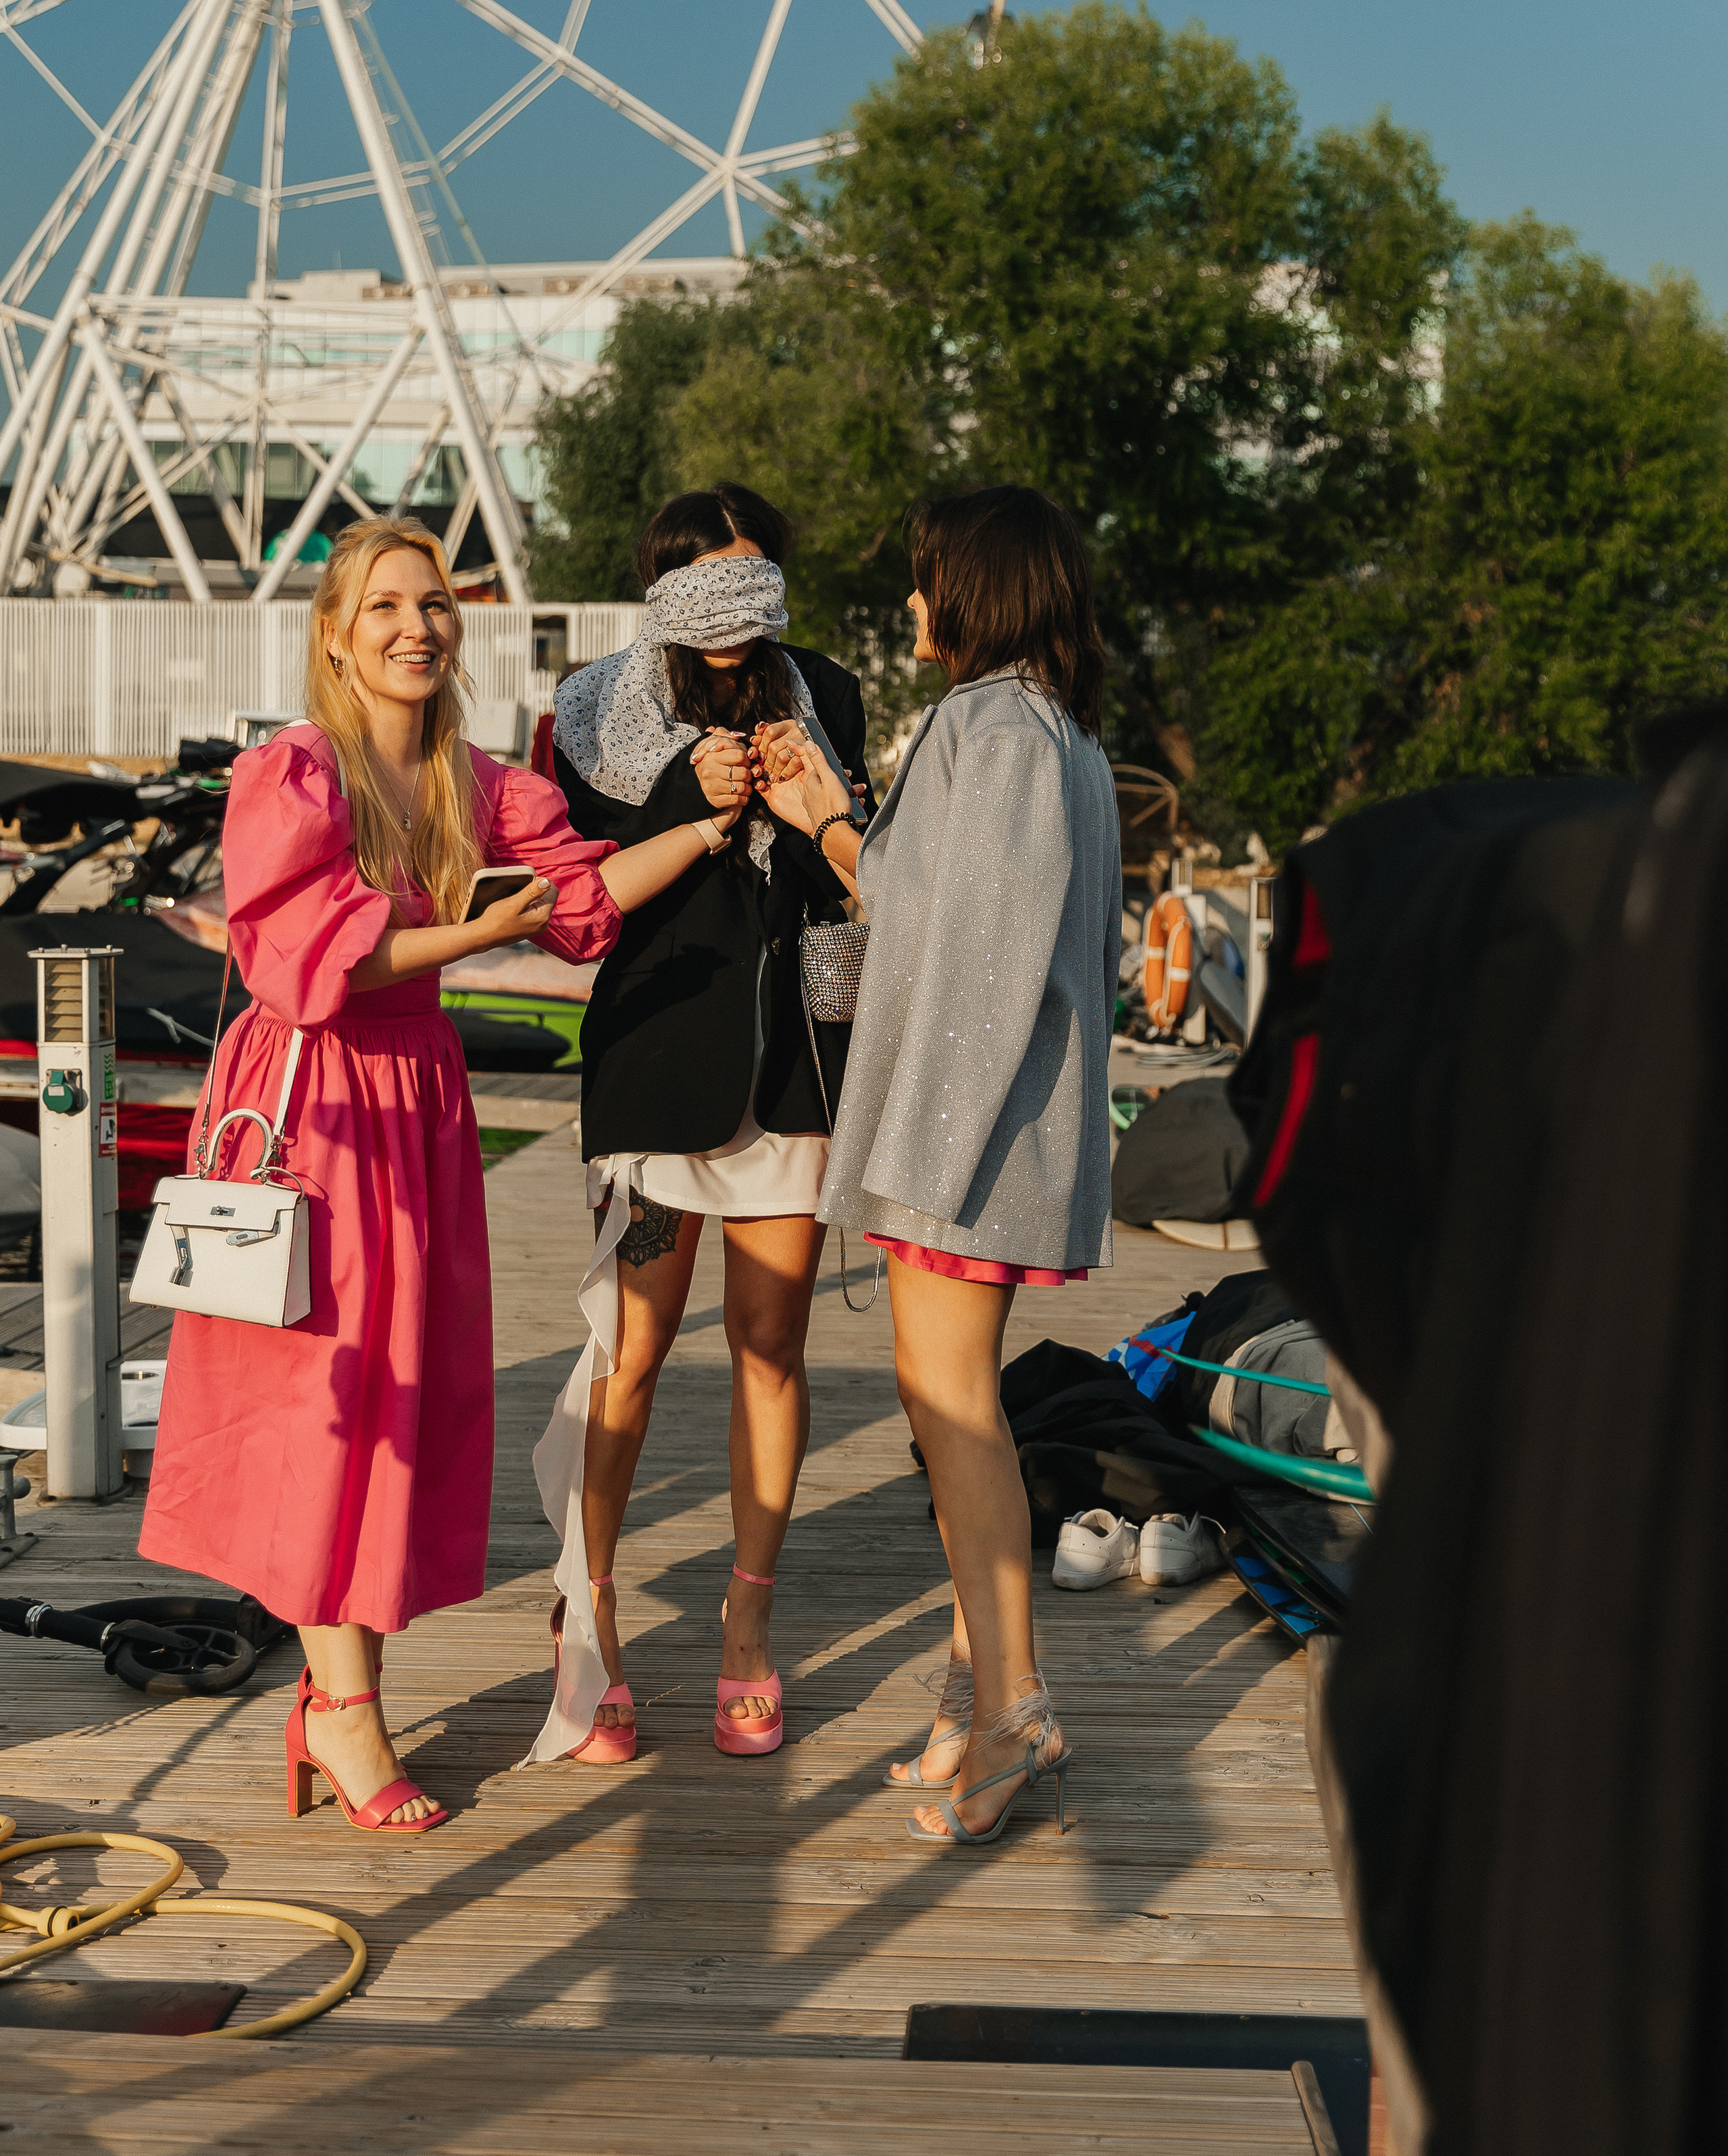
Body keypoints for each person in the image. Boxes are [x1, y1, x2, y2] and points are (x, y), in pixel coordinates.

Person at [141, 518, 720, 1835]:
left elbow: (574, 908)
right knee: (318, 1403)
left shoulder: (485, 783)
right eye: (388, 607)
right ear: (338, 635)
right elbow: (316, 964)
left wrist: (698, 826)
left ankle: (339, 1694)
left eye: (436, 606)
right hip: (307, 1099)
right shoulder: (293, 772)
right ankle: (343, 1707)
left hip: (413, 1101)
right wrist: (474, 928)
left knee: (396, 1393)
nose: (417, 626)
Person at [753, 485, 1120, 1843]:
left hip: (966, 1134)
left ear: (969, 588)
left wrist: (828, 826)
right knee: (953, 1411)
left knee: (951, 1413)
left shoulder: (988, 726)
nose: (911, 605)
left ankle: (1015, 1708)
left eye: (922, 581)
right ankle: (969, 1705)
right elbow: (974, 909)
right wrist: (844, 815)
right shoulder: (1059, 734)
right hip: (1005, 1125)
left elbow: (955, 933)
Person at [524, 482, 871, 1768]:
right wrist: (685, 794)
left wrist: (810, 792)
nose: (734, 615)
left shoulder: (827, 690)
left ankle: (745, 1623)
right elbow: (571, 895)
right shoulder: (591, 710)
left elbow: (867, 857)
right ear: (660, 588)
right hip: (659, 1070)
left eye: (756, 582)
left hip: (790, 1072)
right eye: (706, 586)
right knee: (631, 1349)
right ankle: (592, 1614)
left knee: (770, 1344)